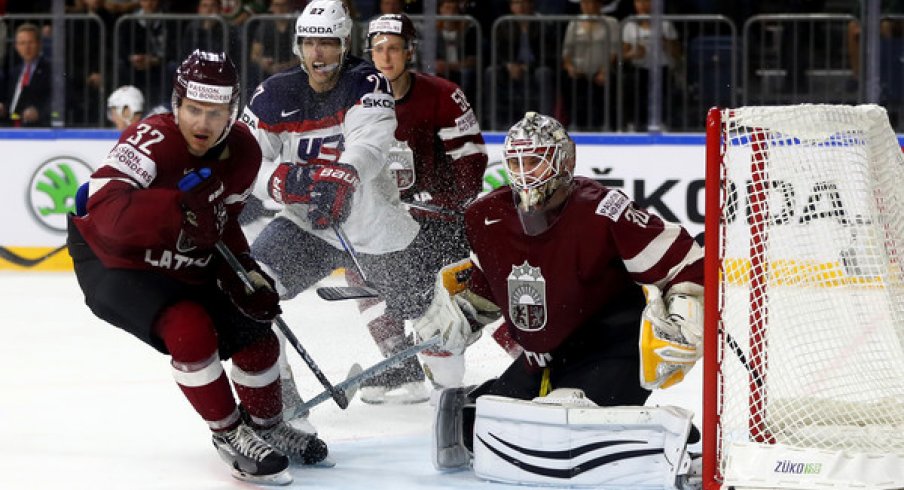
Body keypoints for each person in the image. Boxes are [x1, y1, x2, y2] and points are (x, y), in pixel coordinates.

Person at [66, 50, 328, 486]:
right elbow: (99, 208)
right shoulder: (152, 138)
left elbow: (218, 226)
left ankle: (267, 427)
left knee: (256, 333)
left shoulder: (242, 150)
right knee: (189, 329)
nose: (201, 124)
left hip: (182, 255)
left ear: (232, 109)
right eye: (192, 109)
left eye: (215, 112)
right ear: (176, 104)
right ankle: (228, 434)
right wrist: (177, 207)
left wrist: (245, 271)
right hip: (114, 261)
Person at [411, 112, 704, 471]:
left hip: (611, 348)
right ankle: (626, 426)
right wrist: (460, 312)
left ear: (565, 161)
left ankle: (651, 435)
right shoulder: (487, 215)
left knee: (568, 432)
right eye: (516, 161)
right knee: (472, 427)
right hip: (543, 360)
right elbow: (491, 283)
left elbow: (687, 262)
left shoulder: (604, 211)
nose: (524, 172)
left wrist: (684, 315)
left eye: (534, 160)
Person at [240, 0, 428, 414]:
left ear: (345, 44)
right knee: (250, 293)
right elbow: (243, 159)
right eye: (309, 42)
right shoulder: (273, 94)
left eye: (327, 43)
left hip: (373, 222)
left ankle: (438, 377)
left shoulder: (367, 83)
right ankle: (279, 399)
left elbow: (370, 143)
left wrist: (342, 175)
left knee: (430, 313)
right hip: (310, 225)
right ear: (298, 45)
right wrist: (278, 181)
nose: (318, 53)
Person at [353, 13, 487, 400]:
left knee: (451, 298)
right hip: (391, 221)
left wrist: (448, 202)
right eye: (378, 49)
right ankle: (398, 364)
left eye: (394, 48)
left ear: (409, 52)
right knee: (362, 269)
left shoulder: (442, 95)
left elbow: (471, 160)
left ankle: (528, 360)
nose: (385, 56)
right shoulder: (357, 102)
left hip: (441, 222)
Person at [561, 0, 619, 130]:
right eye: (585, 3)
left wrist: (605, 70)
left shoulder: (611, 22)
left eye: (593, 3)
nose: (589, 6)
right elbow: (567, 51)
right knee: (571, 85)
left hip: (602, 70)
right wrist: (570, 66)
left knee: (606, 87)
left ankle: (605, 126)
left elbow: (614, 50)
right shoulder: (574, 23)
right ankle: (575, 125)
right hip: (579, 71)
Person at [0, 23, 51, 127]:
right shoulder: (14, 72)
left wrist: (39, 112)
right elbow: (10, 100)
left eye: (30, 42)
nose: (26, 47)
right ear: (16, 47)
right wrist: (3, 107)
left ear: (39, 44)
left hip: (37, 128)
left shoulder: (50, 70)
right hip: (10, 126)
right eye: (22, 43)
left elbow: (60, 100)